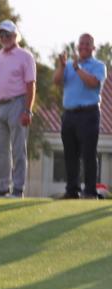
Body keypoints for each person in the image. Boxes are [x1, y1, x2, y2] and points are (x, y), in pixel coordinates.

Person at [0, 19, 36, 198]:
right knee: (1, 149)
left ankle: (18, 188)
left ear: (15, 36)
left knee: (18, 148)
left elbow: (30, 85)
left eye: (7, 34)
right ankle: (3, 186)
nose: (4, 37)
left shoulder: (25, 56)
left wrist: (28, 110)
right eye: (1, 35)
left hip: (18, 103)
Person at [53, 33, 107, 199]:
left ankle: (90, 191)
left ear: (93, 48)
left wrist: (77, 68)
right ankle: (72, 190)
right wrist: (63, 66)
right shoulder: (69, 65)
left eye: (87, 44)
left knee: (88, 153)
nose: (83, 46)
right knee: (70, 153)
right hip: (69, 114)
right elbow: (56, 81)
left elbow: (92, 83)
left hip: (88, 113)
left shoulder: (98, 65)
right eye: (81, 43)